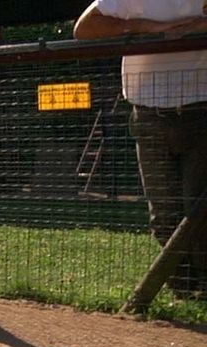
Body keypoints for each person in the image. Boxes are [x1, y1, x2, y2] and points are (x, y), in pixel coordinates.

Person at [74, 0, 207, 299]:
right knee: (163, 215)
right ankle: (185, 294)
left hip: (203, 111)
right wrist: (147, 27)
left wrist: (200, 27)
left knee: (198, 213)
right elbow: (84, 28)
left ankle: (202, 291)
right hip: (148, 113)